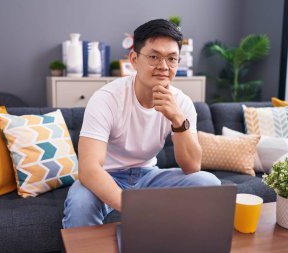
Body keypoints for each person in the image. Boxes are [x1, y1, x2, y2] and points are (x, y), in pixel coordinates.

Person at [62, 19, 220, 228]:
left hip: (149, 176)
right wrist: (133, 208)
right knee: (80, 203)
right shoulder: (107, 98)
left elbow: (192, 167)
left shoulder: (181, 102)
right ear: (134, 59)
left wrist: (178, 120)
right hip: (107, 175)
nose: (163, 67)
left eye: (172, 59)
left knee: (209, 183)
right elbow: (89, 169)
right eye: (154, 57)